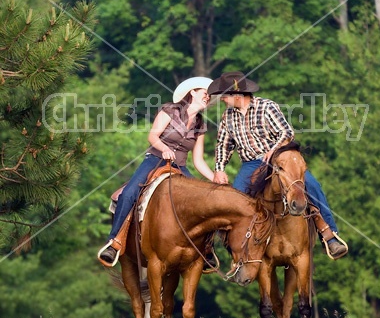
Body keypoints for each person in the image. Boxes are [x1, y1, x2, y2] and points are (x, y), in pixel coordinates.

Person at [208, 71, 348, 260]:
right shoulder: (228, 117)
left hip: (278, 160)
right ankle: (236, 251)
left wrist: (273, 150)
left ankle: (329, 235)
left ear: (237, 94)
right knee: (234, 201)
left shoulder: (266, 107)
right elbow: (224, 145)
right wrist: (219, 168)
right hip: (250, 164)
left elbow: (286, 133)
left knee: (312, 185)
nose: (223, 99)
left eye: (225, 94)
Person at [98, 76, 215, 267]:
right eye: (205, 93)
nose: (208, 98)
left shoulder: (201, 124)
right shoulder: (171, 110)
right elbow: (152, 136)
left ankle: (206, 251)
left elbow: (198, 160)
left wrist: (214, 179)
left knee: (206, 201)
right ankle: (114, 243)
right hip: (155, 160)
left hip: (180, 167)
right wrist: (164, 148)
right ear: (192, 92)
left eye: (209, 96)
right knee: (129, 194)